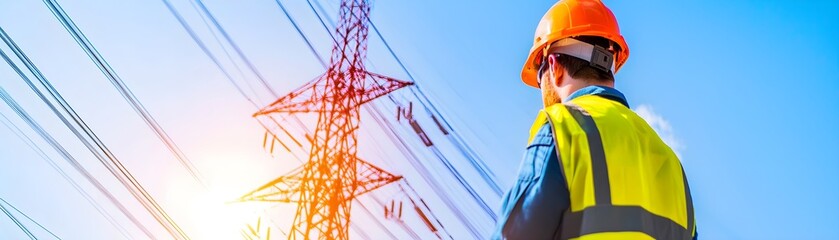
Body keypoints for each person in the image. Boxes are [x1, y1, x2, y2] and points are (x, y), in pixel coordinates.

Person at [492, 0, 697, 239]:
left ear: (553, 65)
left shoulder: (564, 129)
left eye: (539, 78)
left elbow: (514, 235)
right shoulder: (671, 166)